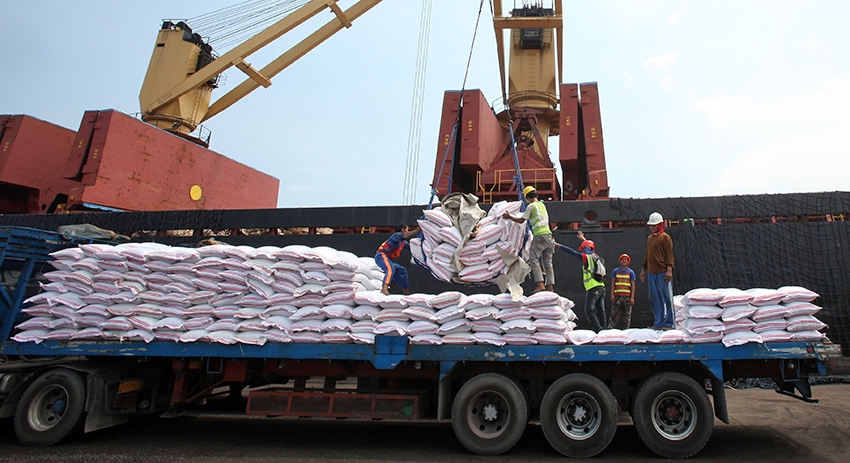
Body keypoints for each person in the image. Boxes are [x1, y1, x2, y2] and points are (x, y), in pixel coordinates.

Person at [502, 185, 555, 294]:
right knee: (548, 263)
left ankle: (540, 284)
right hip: (549, 236)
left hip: (539, 236)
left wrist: (509, 216)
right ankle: (550, 287)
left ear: (527, 198)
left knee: (533, 259)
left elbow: (521, 220)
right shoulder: (542, 205)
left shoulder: (531, 206)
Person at [555, 231, 606, 332]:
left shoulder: (585, 257)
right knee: (601, 310)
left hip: (593, 287)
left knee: (589, 310)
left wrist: (557, 245)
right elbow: (590, 247)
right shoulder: (596, 256)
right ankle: (604, 329)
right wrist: (583, 239)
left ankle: (598, 329)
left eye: (583, 249)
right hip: (601, 287)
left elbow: (571, 251)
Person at [640, 212, 675, 330]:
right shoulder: (650, 239)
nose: (652, 227)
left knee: (667, 297)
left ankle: (669, 323)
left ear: (660, 225)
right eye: (650, 225)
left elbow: (669, 255)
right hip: (652, 272)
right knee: (654, 297)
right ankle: (658, 322)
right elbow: (647, 255)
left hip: (662, 272)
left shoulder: (665, 237)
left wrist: (669, 270)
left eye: (654, 225)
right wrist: (643, 269)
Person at [375, 224, 420, 295]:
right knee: (390, 269)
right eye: (407, 229)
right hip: (381, 256)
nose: (408, 231)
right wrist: (416, 231)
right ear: (403, 230)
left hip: (388, 258)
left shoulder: (403, 243)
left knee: (401, 270)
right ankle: (384, 288)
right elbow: (405, 235)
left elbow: (411, 248)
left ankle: (405, 290)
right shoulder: (396, 236)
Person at [609, 253, 636, 330]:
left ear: (628, 262)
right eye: (623, 259)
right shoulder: (615, 271)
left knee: (627, 316)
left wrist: (632, 297)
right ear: (620, 261)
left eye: (626, 260)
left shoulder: (631, 272)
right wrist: (612, 295)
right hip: (617, 297)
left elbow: (633, 285)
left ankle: (626, 330)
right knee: (614, 315)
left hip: (627, 297)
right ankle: (610, 329)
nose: (624, 261)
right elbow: (613, 283)